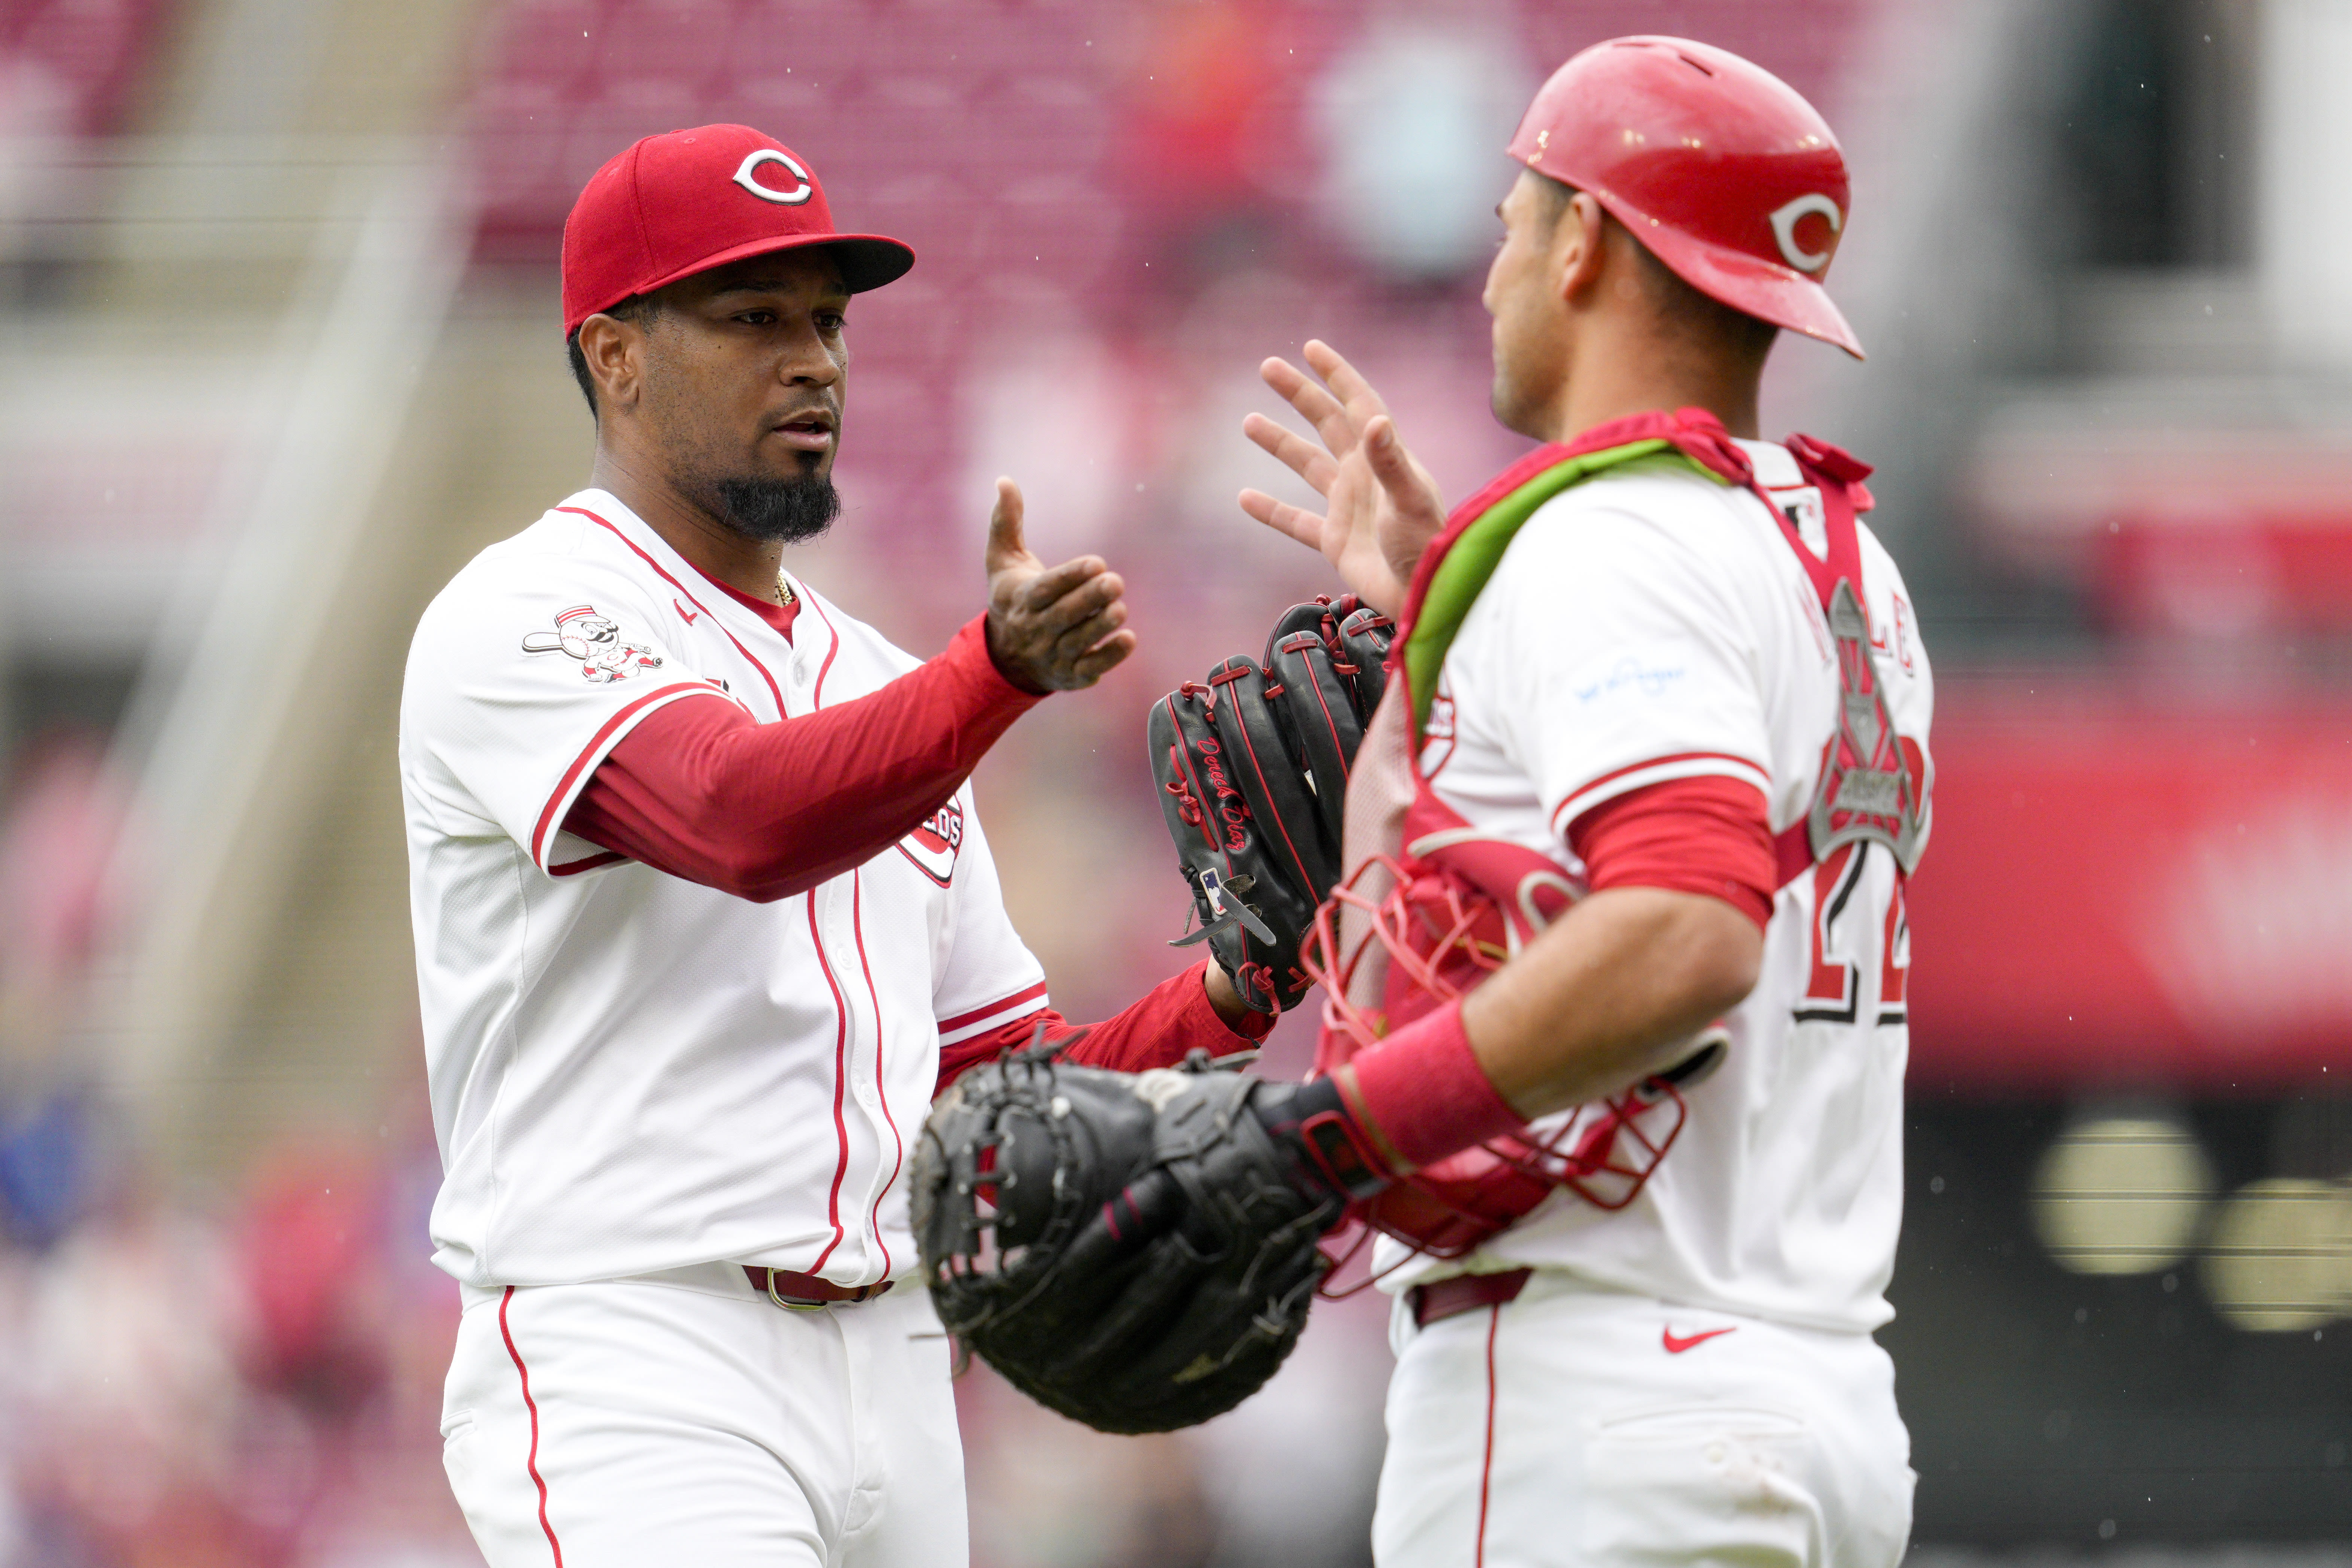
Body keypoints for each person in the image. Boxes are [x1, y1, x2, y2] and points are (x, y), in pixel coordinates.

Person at [398, 123, 1268, 1568]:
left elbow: (1002, 1091)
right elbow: (736, 817)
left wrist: (1234, 991)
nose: (813, 362)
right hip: (641, 1351)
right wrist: (987, 680)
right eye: (750, 320)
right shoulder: (522, 612)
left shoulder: (879, 680)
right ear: (612, 355)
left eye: (827, 321)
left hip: (897, 1365)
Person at [1233, 38, 1930, 1567]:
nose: (1491, 266)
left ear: (1588, 245)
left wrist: (1315, 1145)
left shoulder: (1607, 546)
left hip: (1598, 1402)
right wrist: (1452, 607)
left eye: (1511, 221)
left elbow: (1684, 928)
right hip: (1808, 1393)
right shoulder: (1843, 565)